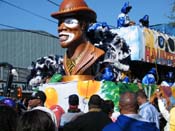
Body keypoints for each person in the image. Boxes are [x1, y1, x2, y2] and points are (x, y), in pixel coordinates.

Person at [51, 0, 105, 81]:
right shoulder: (62, 62)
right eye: (59, 23)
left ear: (83, 25)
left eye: (69, 22)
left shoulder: (97, 54)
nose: (60, 28)